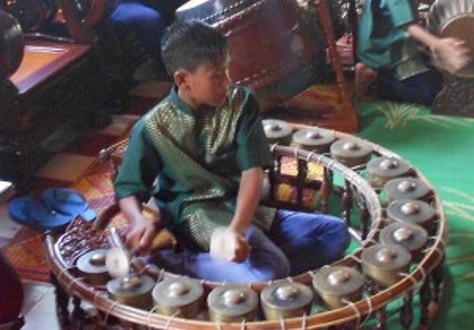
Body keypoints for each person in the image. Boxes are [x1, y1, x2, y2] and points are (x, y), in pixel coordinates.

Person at [114, 20, 350, 283]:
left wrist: (237, 229)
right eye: (216, 76)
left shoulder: (241, 101)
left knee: (334, 233)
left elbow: (253, 171)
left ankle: (248, 271)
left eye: (226, 70)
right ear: (183, 79)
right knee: (272, 268)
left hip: (243, 209)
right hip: (196, 218)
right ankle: (185, 263)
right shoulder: (151, 127)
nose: (227, 82)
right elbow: (127, 188)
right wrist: (137, 220)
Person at [355, 0, 471, 106]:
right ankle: (377, 83)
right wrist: (438, 44)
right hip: (387, 57)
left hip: (400, 47)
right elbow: (408, 25)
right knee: (432, 92)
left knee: (438, 74)